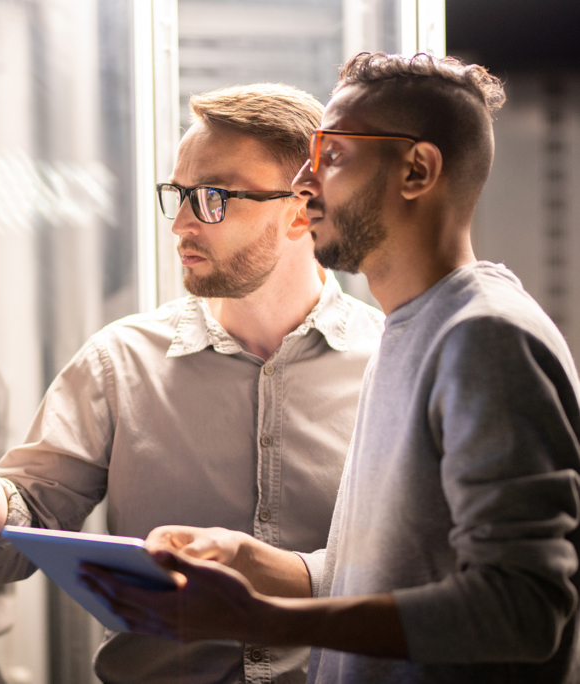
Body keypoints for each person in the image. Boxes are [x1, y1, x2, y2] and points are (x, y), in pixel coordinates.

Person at [0, 83, 385, 683]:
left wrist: (270, 570)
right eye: (177, 195)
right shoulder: (120, 361)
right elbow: (5, 544)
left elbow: (432, 569)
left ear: (302, 207)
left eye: (213, 198)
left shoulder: (392, 365)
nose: (180, 225)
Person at [80, 53, 580, 684]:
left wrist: (268, 621)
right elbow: (376, 575)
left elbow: (524, 612)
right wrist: (253, 563)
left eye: (333, 157)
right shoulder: (408, 330)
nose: (306, 183)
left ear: (418, 170)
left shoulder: (486, 339)